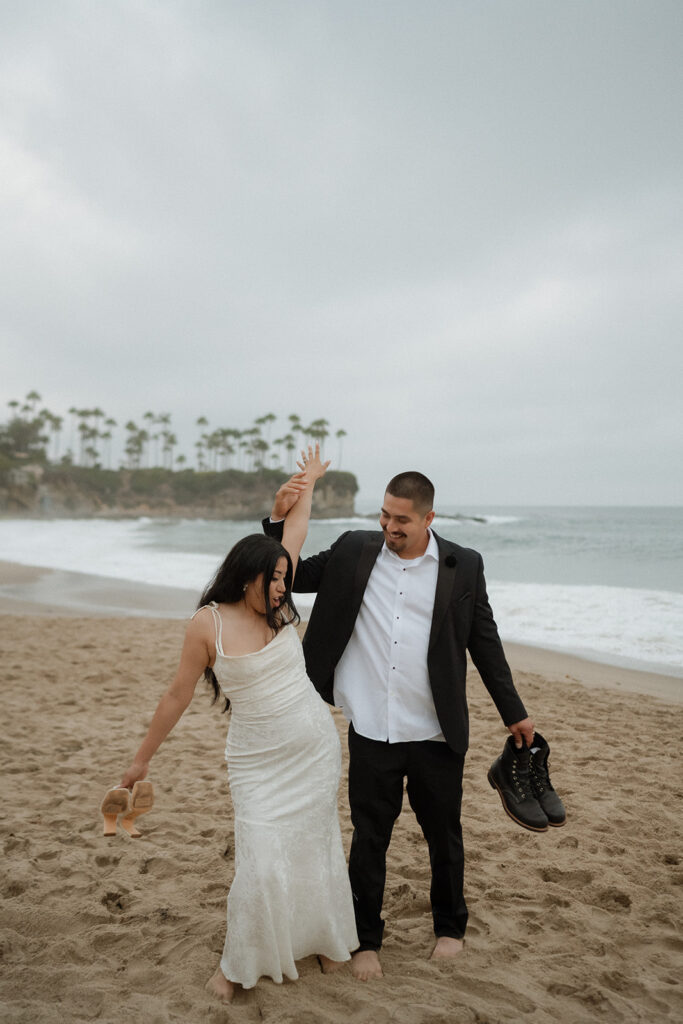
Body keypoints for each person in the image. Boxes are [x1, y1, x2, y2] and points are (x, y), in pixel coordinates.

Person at [264, 470, 534, 981]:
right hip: (372, 727)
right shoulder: (353, 551)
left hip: (436, 731)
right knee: (370, 838)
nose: (390, 525)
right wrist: (279, 518)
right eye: (385, 514)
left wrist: (514, 711)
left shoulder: (465, 566)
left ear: (429, 518)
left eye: (402, 519)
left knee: (444, 836)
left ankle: (450, 929)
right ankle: (366, 940)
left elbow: (485, 642)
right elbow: (286, 573)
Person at [118, 445, 358, 1002]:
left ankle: (321, 934)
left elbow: (294, 528)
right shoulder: (208, 626)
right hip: (256, 759)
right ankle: (238, 965)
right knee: (259, 855)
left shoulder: (278, 605)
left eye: (284, 578)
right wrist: (141, 759)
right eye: (273, 578)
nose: (283, 587)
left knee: (315, 841)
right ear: (245, 575)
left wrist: (310, 483)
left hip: (312, 748)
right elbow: (177, 695)